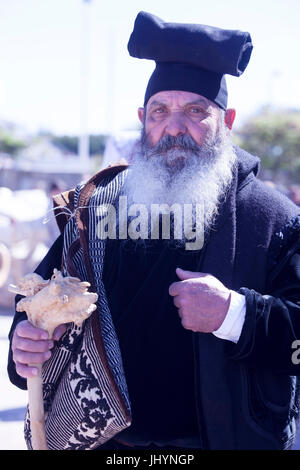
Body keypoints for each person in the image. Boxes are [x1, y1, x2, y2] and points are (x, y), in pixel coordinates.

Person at [7, 11, 300, 450]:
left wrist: (234, 315)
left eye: (195, 111)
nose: (174, 127)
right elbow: (36, 302)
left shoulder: (272, 218)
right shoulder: (98, 206)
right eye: (161, 111)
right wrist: (24, 340)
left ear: (228, 119)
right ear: (144, 118)